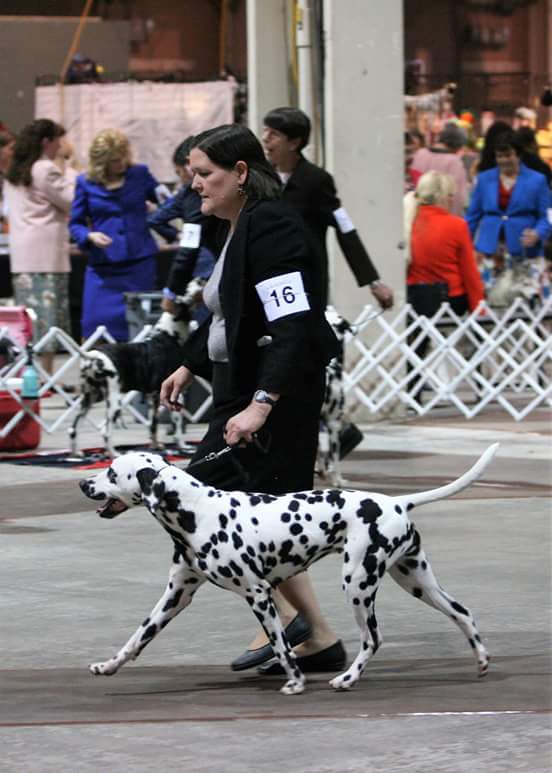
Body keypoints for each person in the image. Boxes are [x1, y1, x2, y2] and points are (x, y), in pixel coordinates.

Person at [160, 124, 347, 675]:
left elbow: (291, 324)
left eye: (204, 174)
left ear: (241, 173)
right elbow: (228, 312)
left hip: (272, 396)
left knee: (206, 510)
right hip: (237, 389)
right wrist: (189, 361)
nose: (194, 185)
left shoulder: (273, 226)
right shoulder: (232, 224)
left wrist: (263, 403)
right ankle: (314, 634)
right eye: (193, 174)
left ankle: (301, 626)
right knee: (255, 522)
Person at [261, 107, 394, 311]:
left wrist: (372, 281)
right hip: (265, 275)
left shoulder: (316, 180)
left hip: (305, 278)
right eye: (265, 131)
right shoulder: (259, 178)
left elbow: (345, 229)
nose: (265, 138)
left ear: (294, 143)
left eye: (274, 134)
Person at [69, 128, 166, 341]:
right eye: (114, 160)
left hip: (139, 262)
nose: (121, 163)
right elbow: (75, 224)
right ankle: (97, 370)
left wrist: (157, 211)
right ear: (101, 162)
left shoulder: (140, 174)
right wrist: (90, 236)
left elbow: (167, 203)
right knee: (94, 324)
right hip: (103, 266)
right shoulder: (85, 182)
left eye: (124, 156)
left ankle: (140, 371)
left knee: (140, 326)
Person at [3, 119, 76, 374]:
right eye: (58, 140)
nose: (61, 146)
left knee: (30, 319)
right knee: (49, 319)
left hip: (23, 255)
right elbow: (71, 200)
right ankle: (46, 375)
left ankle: (32, 371)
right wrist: (69, 168)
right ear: (47, 142)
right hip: (46, 256)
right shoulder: (45, 168)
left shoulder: (15, 169)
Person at [405, 171, 485, 401]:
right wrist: (478, 306)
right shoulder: (457, 225)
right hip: (450, 300)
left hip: (418, 300)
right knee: (476, 336)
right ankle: (480, 386)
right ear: (443, 196)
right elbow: (469, 273)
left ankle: (413, 392)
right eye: (451, 196)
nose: (453, 200)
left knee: (417, 342)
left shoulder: (408, 221)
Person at [146, 136, 218, 324]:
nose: (191, 182)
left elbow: (187, 247)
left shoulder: (192, 195)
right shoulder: (192, 192)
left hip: (207, 269)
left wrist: (171, 292)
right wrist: (179, 235)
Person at [410, 121, 469, 216]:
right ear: (457, 146)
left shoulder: (420, 154)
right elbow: (458, 197)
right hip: (440, 216)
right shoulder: (454, 162)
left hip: (415, 213)